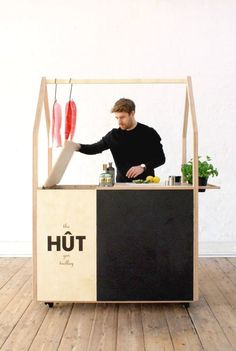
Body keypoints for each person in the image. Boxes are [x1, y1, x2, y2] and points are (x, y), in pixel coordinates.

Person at [76, 98, 166, 182]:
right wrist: (77, 146)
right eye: (117, 118)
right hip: (121, 187)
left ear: (132, 113)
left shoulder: (149, 133)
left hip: (146, 185)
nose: (119, 122)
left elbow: (160, 158)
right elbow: (95, 148)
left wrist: (143, 167)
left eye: (122, 117)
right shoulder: (113, 135)